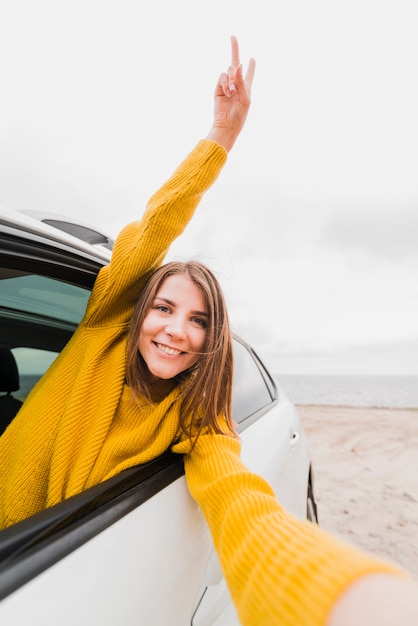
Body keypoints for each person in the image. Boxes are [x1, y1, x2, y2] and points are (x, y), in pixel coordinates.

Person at [1, 36, 418, 626]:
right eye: (164, 308)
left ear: (213, 341)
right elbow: (157, 222)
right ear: (136, 307)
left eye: (199, 320)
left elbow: (240, 502)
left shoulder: (194, 418)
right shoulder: (100, 332)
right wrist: (219, 137)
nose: (176, 330)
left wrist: (333, 591)